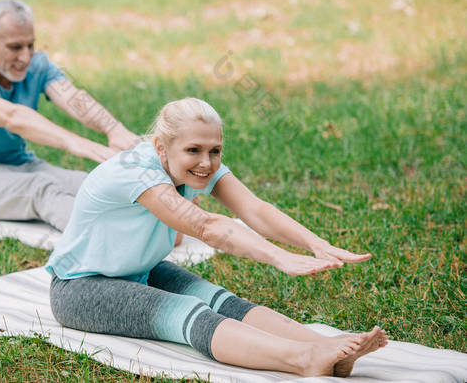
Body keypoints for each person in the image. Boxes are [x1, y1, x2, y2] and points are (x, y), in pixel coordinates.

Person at [45, 98, 388, 377]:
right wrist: (279, 257)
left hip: (143, 271)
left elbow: (254, 209)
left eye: (215, 151)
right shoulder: (136, 174)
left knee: (224, 302)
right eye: (194, 150)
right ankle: (304, 359)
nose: (206, 163)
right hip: (81, 288)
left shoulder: (189, 162)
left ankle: (328, 347)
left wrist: (314, 243)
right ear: (161, 148)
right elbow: (206, 227)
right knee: (189, 311)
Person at [0, 0, 138, 230]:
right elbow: (14, 117)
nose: (26, 57)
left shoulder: (36, 65)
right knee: (42, 190)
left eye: (31, 45)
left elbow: (73, 98)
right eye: (15, 47)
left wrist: (114, 129)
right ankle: (116, 240)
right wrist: (82, 145)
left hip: (19, 164)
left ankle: (155, 226)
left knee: (97, 185)